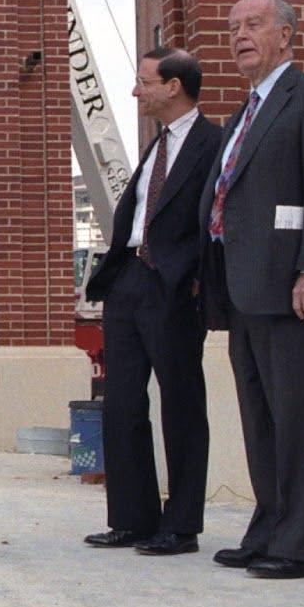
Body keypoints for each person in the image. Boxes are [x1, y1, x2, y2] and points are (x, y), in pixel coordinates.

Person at [197, 0, 304, 580]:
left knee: (302, 421)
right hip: (246, 293)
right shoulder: (243, 113)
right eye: (233, 26)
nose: (239, 35)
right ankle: (270, 528)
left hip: (295, 291)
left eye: (254, 24)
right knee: (261, 421)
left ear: (286, 35)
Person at [82, 48, 222, 555]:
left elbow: (214, 220)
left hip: (172, 288)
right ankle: (132, 519)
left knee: (181, 404)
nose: (136, 91)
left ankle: (181, 525)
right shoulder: (155, 147)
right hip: (127, 284)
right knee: (121, 403)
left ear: (174, 86)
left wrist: (194, 281)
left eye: (144, 82)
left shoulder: (214, 144)